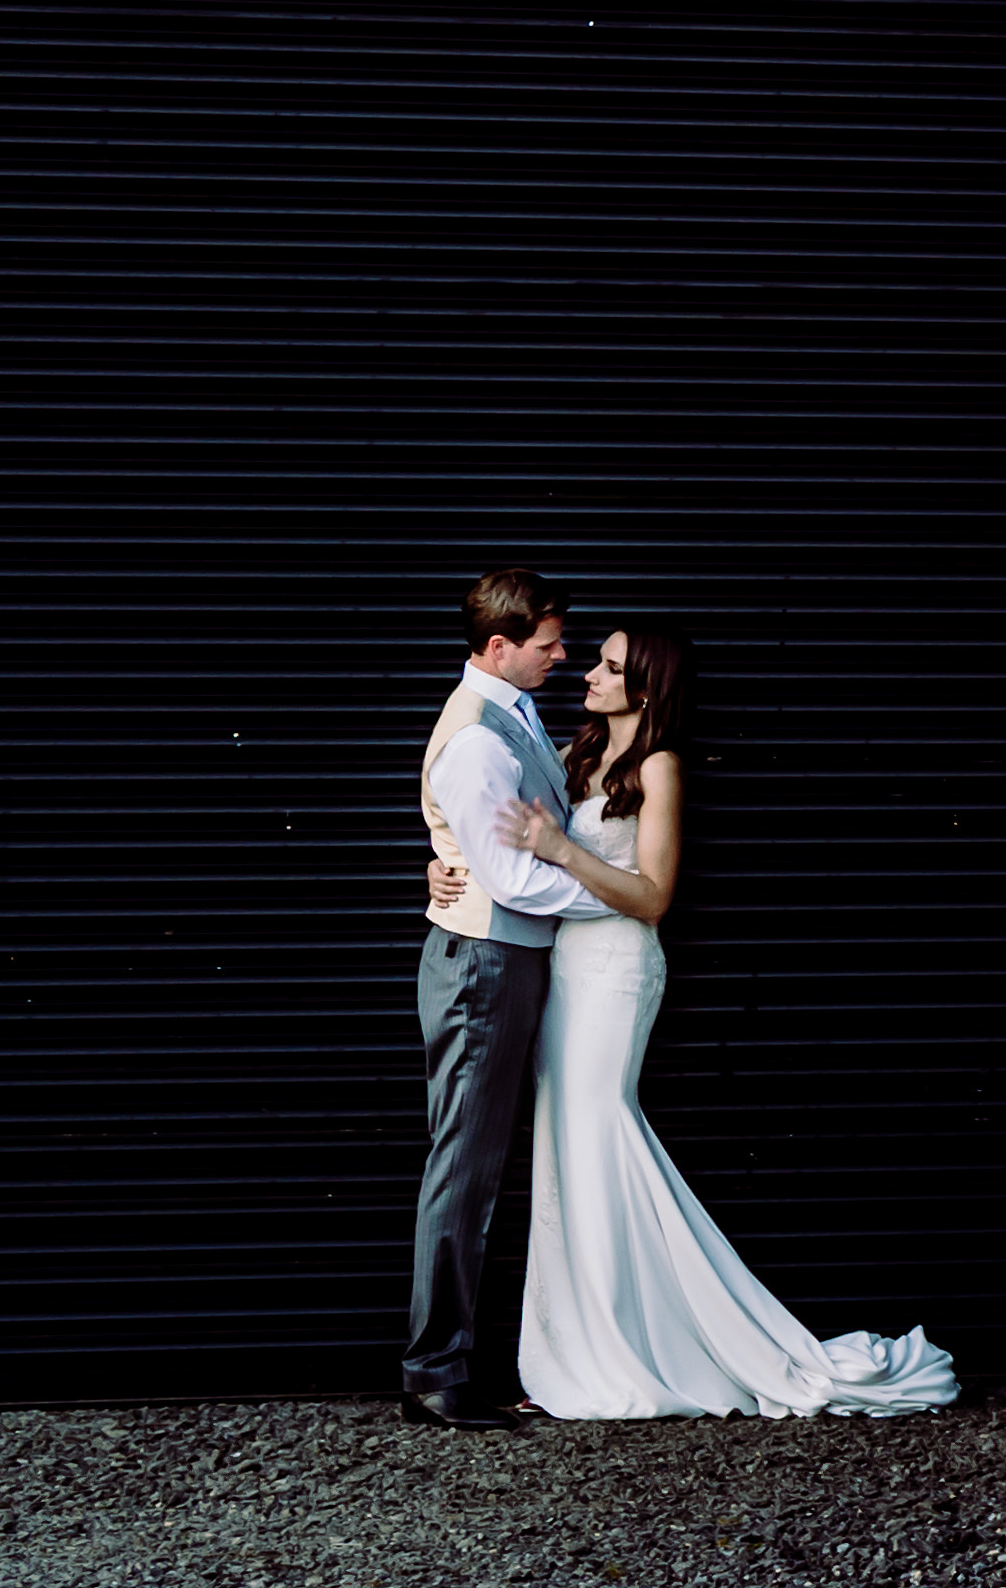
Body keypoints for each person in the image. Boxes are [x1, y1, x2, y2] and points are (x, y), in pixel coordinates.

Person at [425, 618, 955, 1419]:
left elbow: (653, 897)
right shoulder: (576, 754)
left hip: (614, 973)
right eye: (590, 661)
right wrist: (451, 868)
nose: (587, 676)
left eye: (606, 667)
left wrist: (563, 851)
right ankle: (582, 1349)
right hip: (564, 967)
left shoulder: (659, 766)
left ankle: (640, 1348)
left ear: (647, 687)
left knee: (602, 1132)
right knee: (569, 1152)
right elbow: (495, 834)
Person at [408, 567, 595, 1427]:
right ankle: (436, 1373)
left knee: (479, 1167)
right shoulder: (478, 735)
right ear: (498, 645)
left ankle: (454, 1359)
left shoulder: (511, 713)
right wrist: (621, 895)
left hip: (501, 956)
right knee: (467, 1169)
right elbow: (514, 879)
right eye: (549, 642)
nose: (563, 654)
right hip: (485, 964)